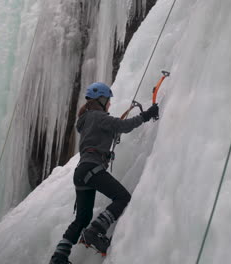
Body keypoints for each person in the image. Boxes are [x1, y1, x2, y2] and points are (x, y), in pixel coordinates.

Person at [49, 82, 159, 264]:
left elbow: (107, 131)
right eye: (108, 101)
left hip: (82, 172)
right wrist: (146, 115)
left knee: (82, 218)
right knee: (122, 197)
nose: (109, 104)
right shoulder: (97, 116)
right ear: (100, 99)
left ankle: (59, 257)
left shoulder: (86, 120)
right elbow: (122, 125)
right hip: (92, 168)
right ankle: (95, 231)